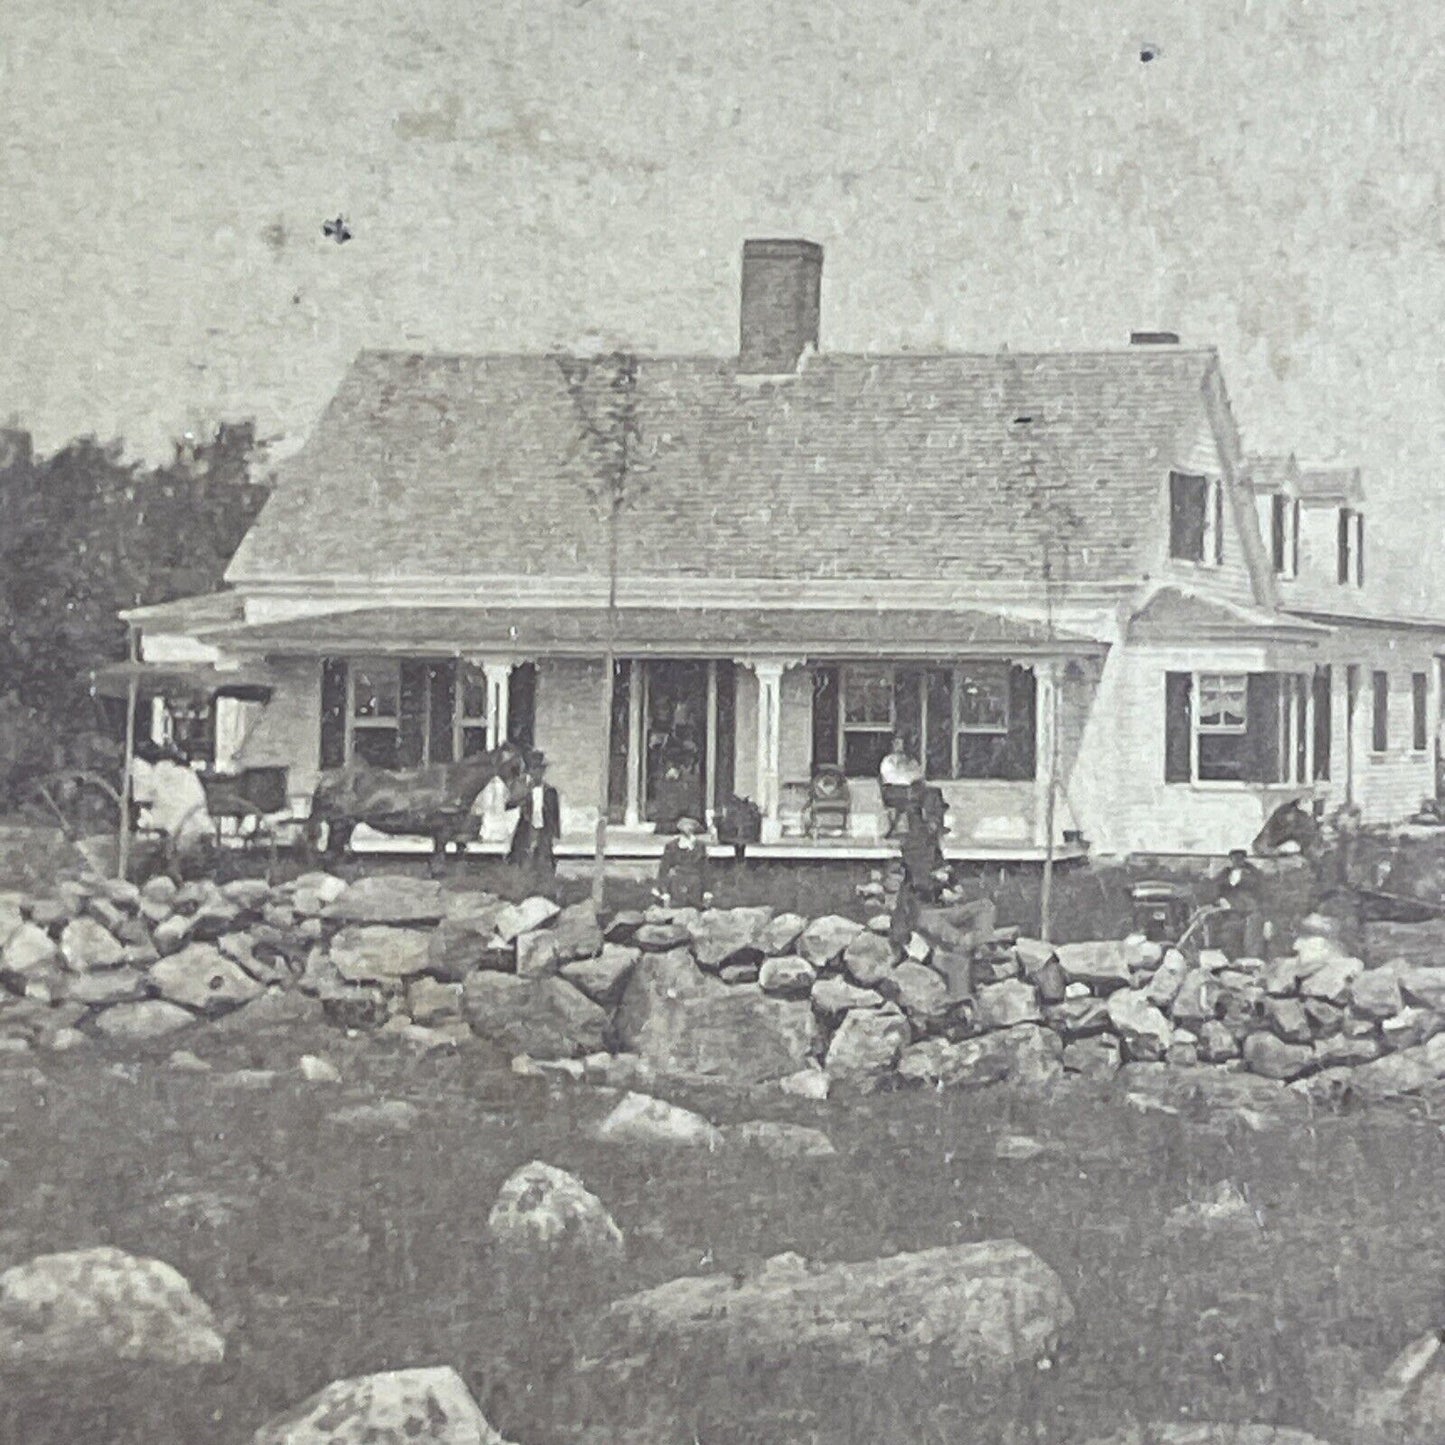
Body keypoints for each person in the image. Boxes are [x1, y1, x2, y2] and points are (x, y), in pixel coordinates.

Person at [134, 741, 214, 878]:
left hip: (188, 830)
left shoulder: (157, 771)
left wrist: (169, 831)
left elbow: (183, 805)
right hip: (195, 827)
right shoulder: (180, 772)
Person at [507, 752, 561, 886]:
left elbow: (554, 813)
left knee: (544, 858)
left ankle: (544, 887)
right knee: (524, 857)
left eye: (540, 770)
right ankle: (524, 885)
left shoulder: (550, 791)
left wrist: (555, 832)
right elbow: (509, 804)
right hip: (527, 828)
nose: (537, 773)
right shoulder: (525, 790)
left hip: (543, 829)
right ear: (529, 772)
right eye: (534, 769)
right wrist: (521, 792)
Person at [1211, 847, 1267, 957]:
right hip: (1231, 913)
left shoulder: (1253, 873)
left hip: (1250, 912)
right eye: (1234, 857)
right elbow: (1215, 889)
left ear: (1244, 859)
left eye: (1240, 857)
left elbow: (1262, 892)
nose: (1237, 860)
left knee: (1251, 941)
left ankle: (1251, 962)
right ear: (1231, 859)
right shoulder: (1225, 873)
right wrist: (1220, 899)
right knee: (1229, 937)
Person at [654, 815, 713, 908]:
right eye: (685, 826)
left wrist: (707, 891)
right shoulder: (672, 846)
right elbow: (664, 869)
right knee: (676, 908)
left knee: (696, 909)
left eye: (691, 826)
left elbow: (705, 869)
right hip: (677, 882)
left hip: (695, 883)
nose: (688, 828)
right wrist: (664, 891)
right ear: (680, 828)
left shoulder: (699, 846)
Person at [879, 736, 923, 837]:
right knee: (911, 803)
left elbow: (918, 774)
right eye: (896, 744)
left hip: (908, 792)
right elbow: (889, 777)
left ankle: (917, 830)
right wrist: (905, 777)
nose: (899, 747)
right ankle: (911, 830)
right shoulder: (888, 760)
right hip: (893, 792)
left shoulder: (910, 760)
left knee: (924, 798)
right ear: (893, 745)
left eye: (901, 744)